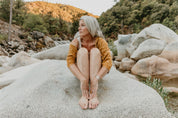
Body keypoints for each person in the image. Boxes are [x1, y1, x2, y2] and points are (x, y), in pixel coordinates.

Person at [66, 15, 112, 110]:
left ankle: (93, 94)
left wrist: (96, 79)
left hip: (96, 74)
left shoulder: (100, 41)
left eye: (83, 25)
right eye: (79, 25)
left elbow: (108, 61)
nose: (79, 28)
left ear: (91, 27)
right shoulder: (76, 42)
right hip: (82, 73)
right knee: (82, 51)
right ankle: (84, 94)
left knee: (95, 51)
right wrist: (82, 79)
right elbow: (69, 61)